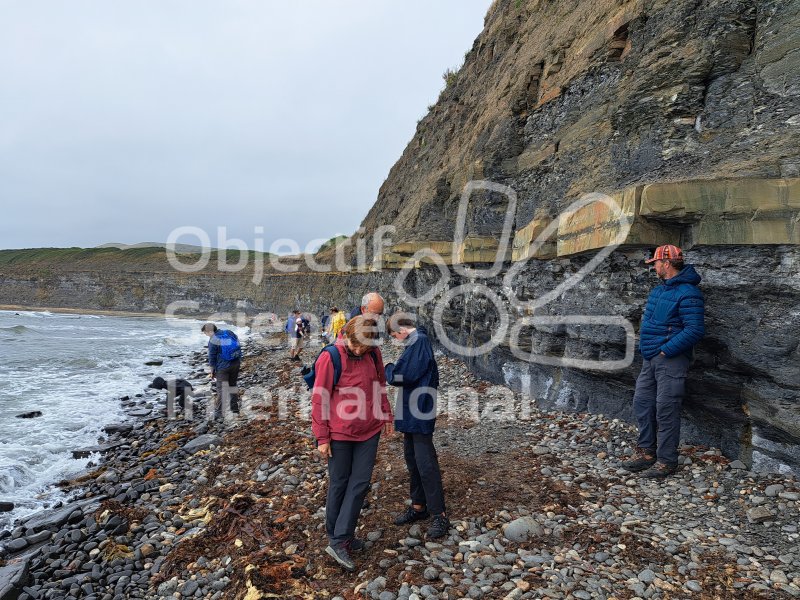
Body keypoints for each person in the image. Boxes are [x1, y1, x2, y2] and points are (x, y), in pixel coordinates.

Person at [311, 316, 394, 572]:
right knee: (339, 483)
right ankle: (338, 537)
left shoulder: (373, 354)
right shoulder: (330, 357)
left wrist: (387, 415)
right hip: (340, 433)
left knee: (359, 485)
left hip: (369, 431)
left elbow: (380, 386)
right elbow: (319, 398)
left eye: (365, 347)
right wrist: (322, 437)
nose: (359, 351)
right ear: (347, 334)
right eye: (356, 345)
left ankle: (341, 537)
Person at [621, 245, 705, 478]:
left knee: (666, 410)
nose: (654, 267)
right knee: (642, 402)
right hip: (651, 358)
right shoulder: (659, 291)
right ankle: (647, 452)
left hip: (671, 360)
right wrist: (648, 350)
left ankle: (666, 461)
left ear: (666, 264)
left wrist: (666, 351)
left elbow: (695, 330)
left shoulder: (689, 293)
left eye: (656, 263)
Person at [385, 313, 449, 539]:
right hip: (413, 409)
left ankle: (439, 514)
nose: (398, 340)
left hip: (419, 410)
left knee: (425, 463)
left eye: (395, 335)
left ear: (401, 329)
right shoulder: (417, 341)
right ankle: (419, 506)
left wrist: (389, 368)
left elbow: (403, 375)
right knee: (412, 459)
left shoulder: (419, 341)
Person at [201, 323, 242, 420]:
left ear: (210, 331)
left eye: (205, 333)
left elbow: (212, 358)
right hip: (235, 363)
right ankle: (235, 409)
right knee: (232, 385)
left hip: (223, 367)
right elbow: (237, 344)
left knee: (222, 389)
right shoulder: (229, 332)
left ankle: (219, 413)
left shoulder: (213, 340)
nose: (206, 335)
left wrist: (212, 371)